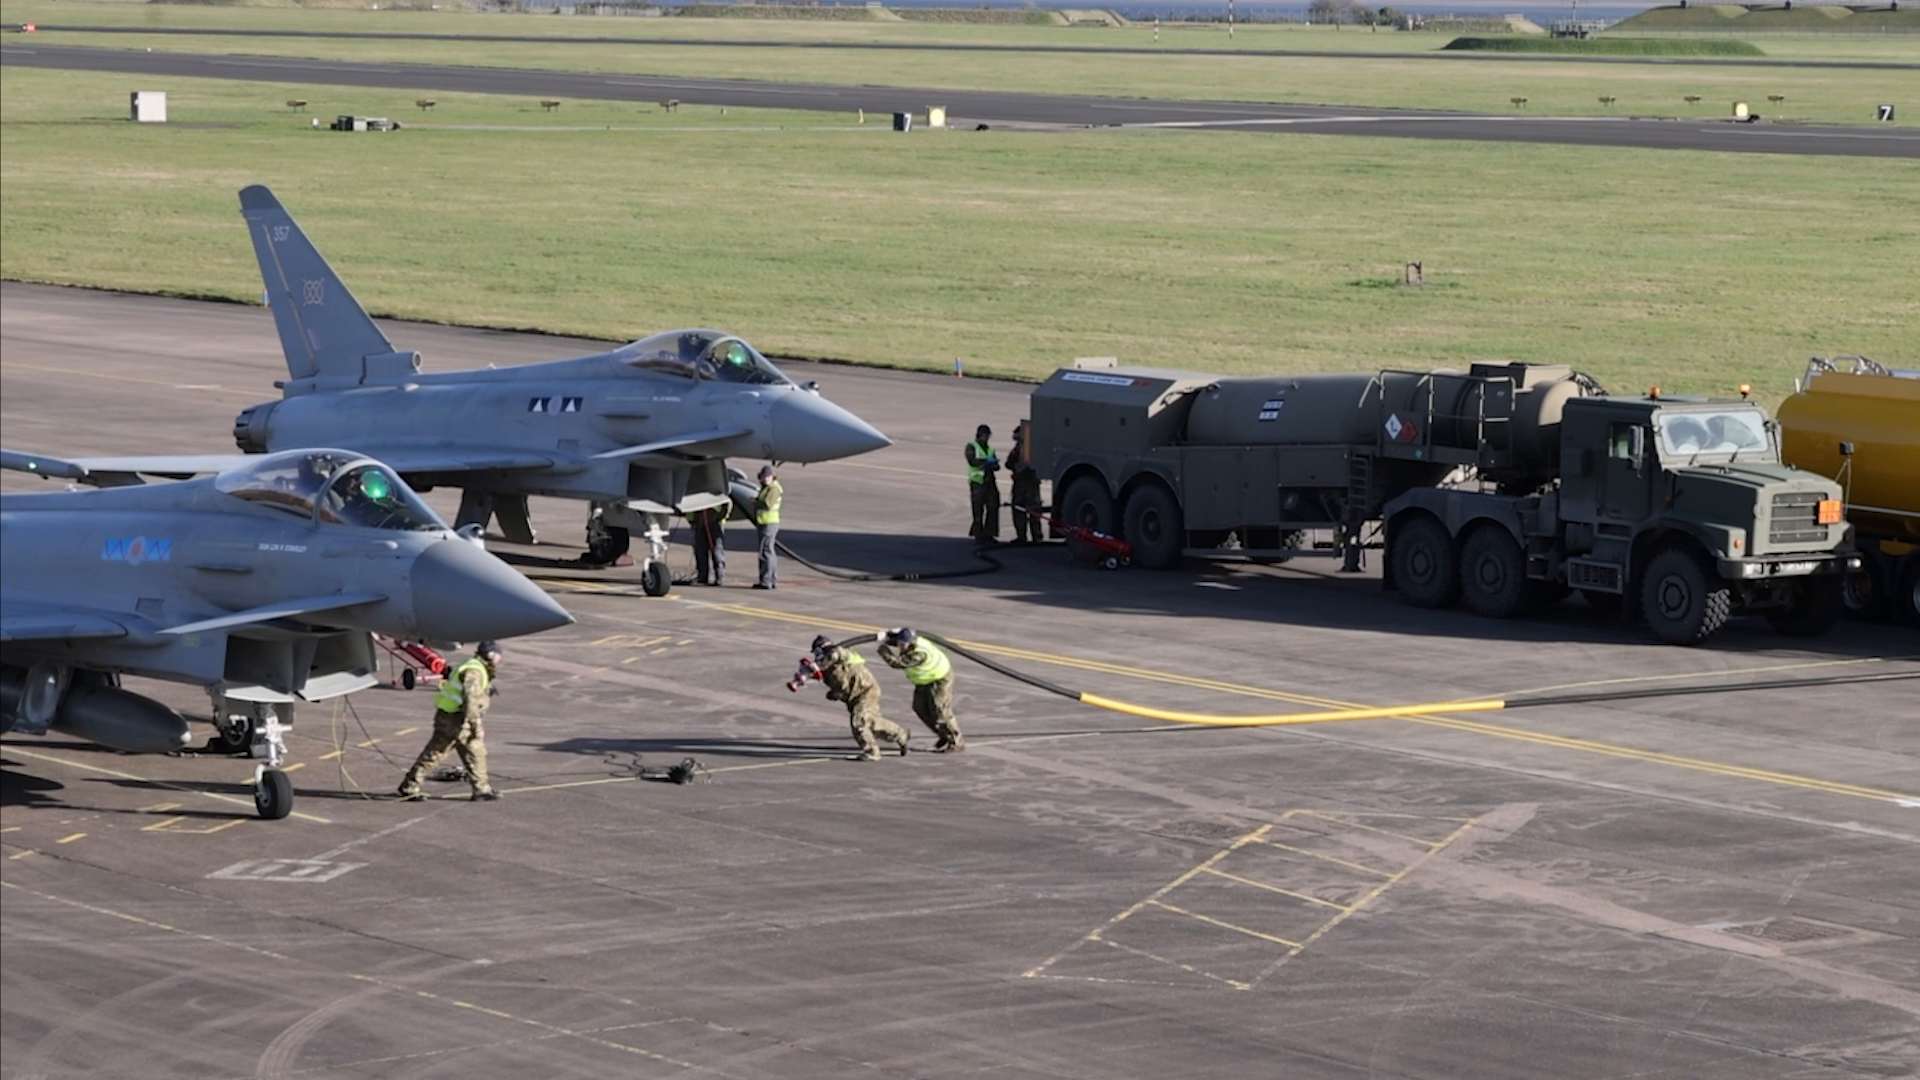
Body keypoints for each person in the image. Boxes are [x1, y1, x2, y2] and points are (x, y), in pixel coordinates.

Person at [398, 640, 502, 802]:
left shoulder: (471, 664)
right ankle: (481, 789)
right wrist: (476, 726)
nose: (499, 658)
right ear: (491, 655)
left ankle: (409, 786)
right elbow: (471, 701)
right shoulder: (475, 671)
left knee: (438, 753)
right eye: (498, 655)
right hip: (457, 720)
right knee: (471, 753)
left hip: (448, 716)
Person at [810, 634, 910, 761]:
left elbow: (840, 654)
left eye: (818, 652)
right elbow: (840, 684)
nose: (817, 656)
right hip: (854, 697)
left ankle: (872, 752)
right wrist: (834, 693)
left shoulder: (843, 655)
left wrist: (831, 651)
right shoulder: (827, 670)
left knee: (859, 722)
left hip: (866, 692)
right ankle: (900, 734)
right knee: (872, 723)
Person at [878, 627, 965, 752]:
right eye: (900, 644)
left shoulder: (919, 654)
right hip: (924, 680)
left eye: (904, 644)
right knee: (920, 707)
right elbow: (897, 640)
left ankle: (956, 741)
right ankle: (943, 734)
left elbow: (897, 663)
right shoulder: (909, 642)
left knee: (940, 709)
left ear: (911, 642)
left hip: (939, 678)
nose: (901, 647)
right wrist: (887, 636)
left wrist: (883, 649)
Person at [1007, 420, 1043, 545]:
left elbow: (1009, 464)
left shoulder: (1025, 450)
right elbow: (1009, 463)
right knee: (1028, 510)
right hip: (1028, 485)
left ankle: (1027, 536)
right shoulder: (1024, 450)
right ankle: (1033, 537)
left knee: (1026, 510)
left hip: (1025, 485)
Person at [966, 424, 1001, 545]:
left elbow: (996, 466)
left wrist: (994, 463)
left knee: (993, 507)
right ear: (980, 435)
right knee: (978, 509)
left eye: (988, 435)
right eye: (985, 435)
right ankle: (978, 534)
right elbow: (972, 461)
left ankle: (989, 533)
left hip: (990, 482)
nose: (987, 437)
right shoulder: (971, 446)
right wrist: (986, 462)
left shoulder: (990, 448)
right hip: (978, 482)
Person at [752, 464, 782, 590]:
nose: (765, 479)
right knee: (768, 551)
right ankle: (771, 579)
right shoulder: (766, 488)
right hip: (764, 522)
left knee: (766, 552)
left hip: (769, 523)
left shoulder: (773, 489)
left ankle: (766, 580)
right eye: (764, 476)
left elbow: (767, 504)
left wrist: (755, 502)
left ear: (772, 477)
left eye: (768, 476)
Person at [687, 500, 728, 586]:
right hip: (700, 523)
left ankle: (719, 576)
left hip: (714, 524)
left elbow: (726, 505)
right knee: (700, 550)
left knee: (716, 550)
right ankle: (702, 576)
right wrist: (692, 520)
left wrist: (717, 518)